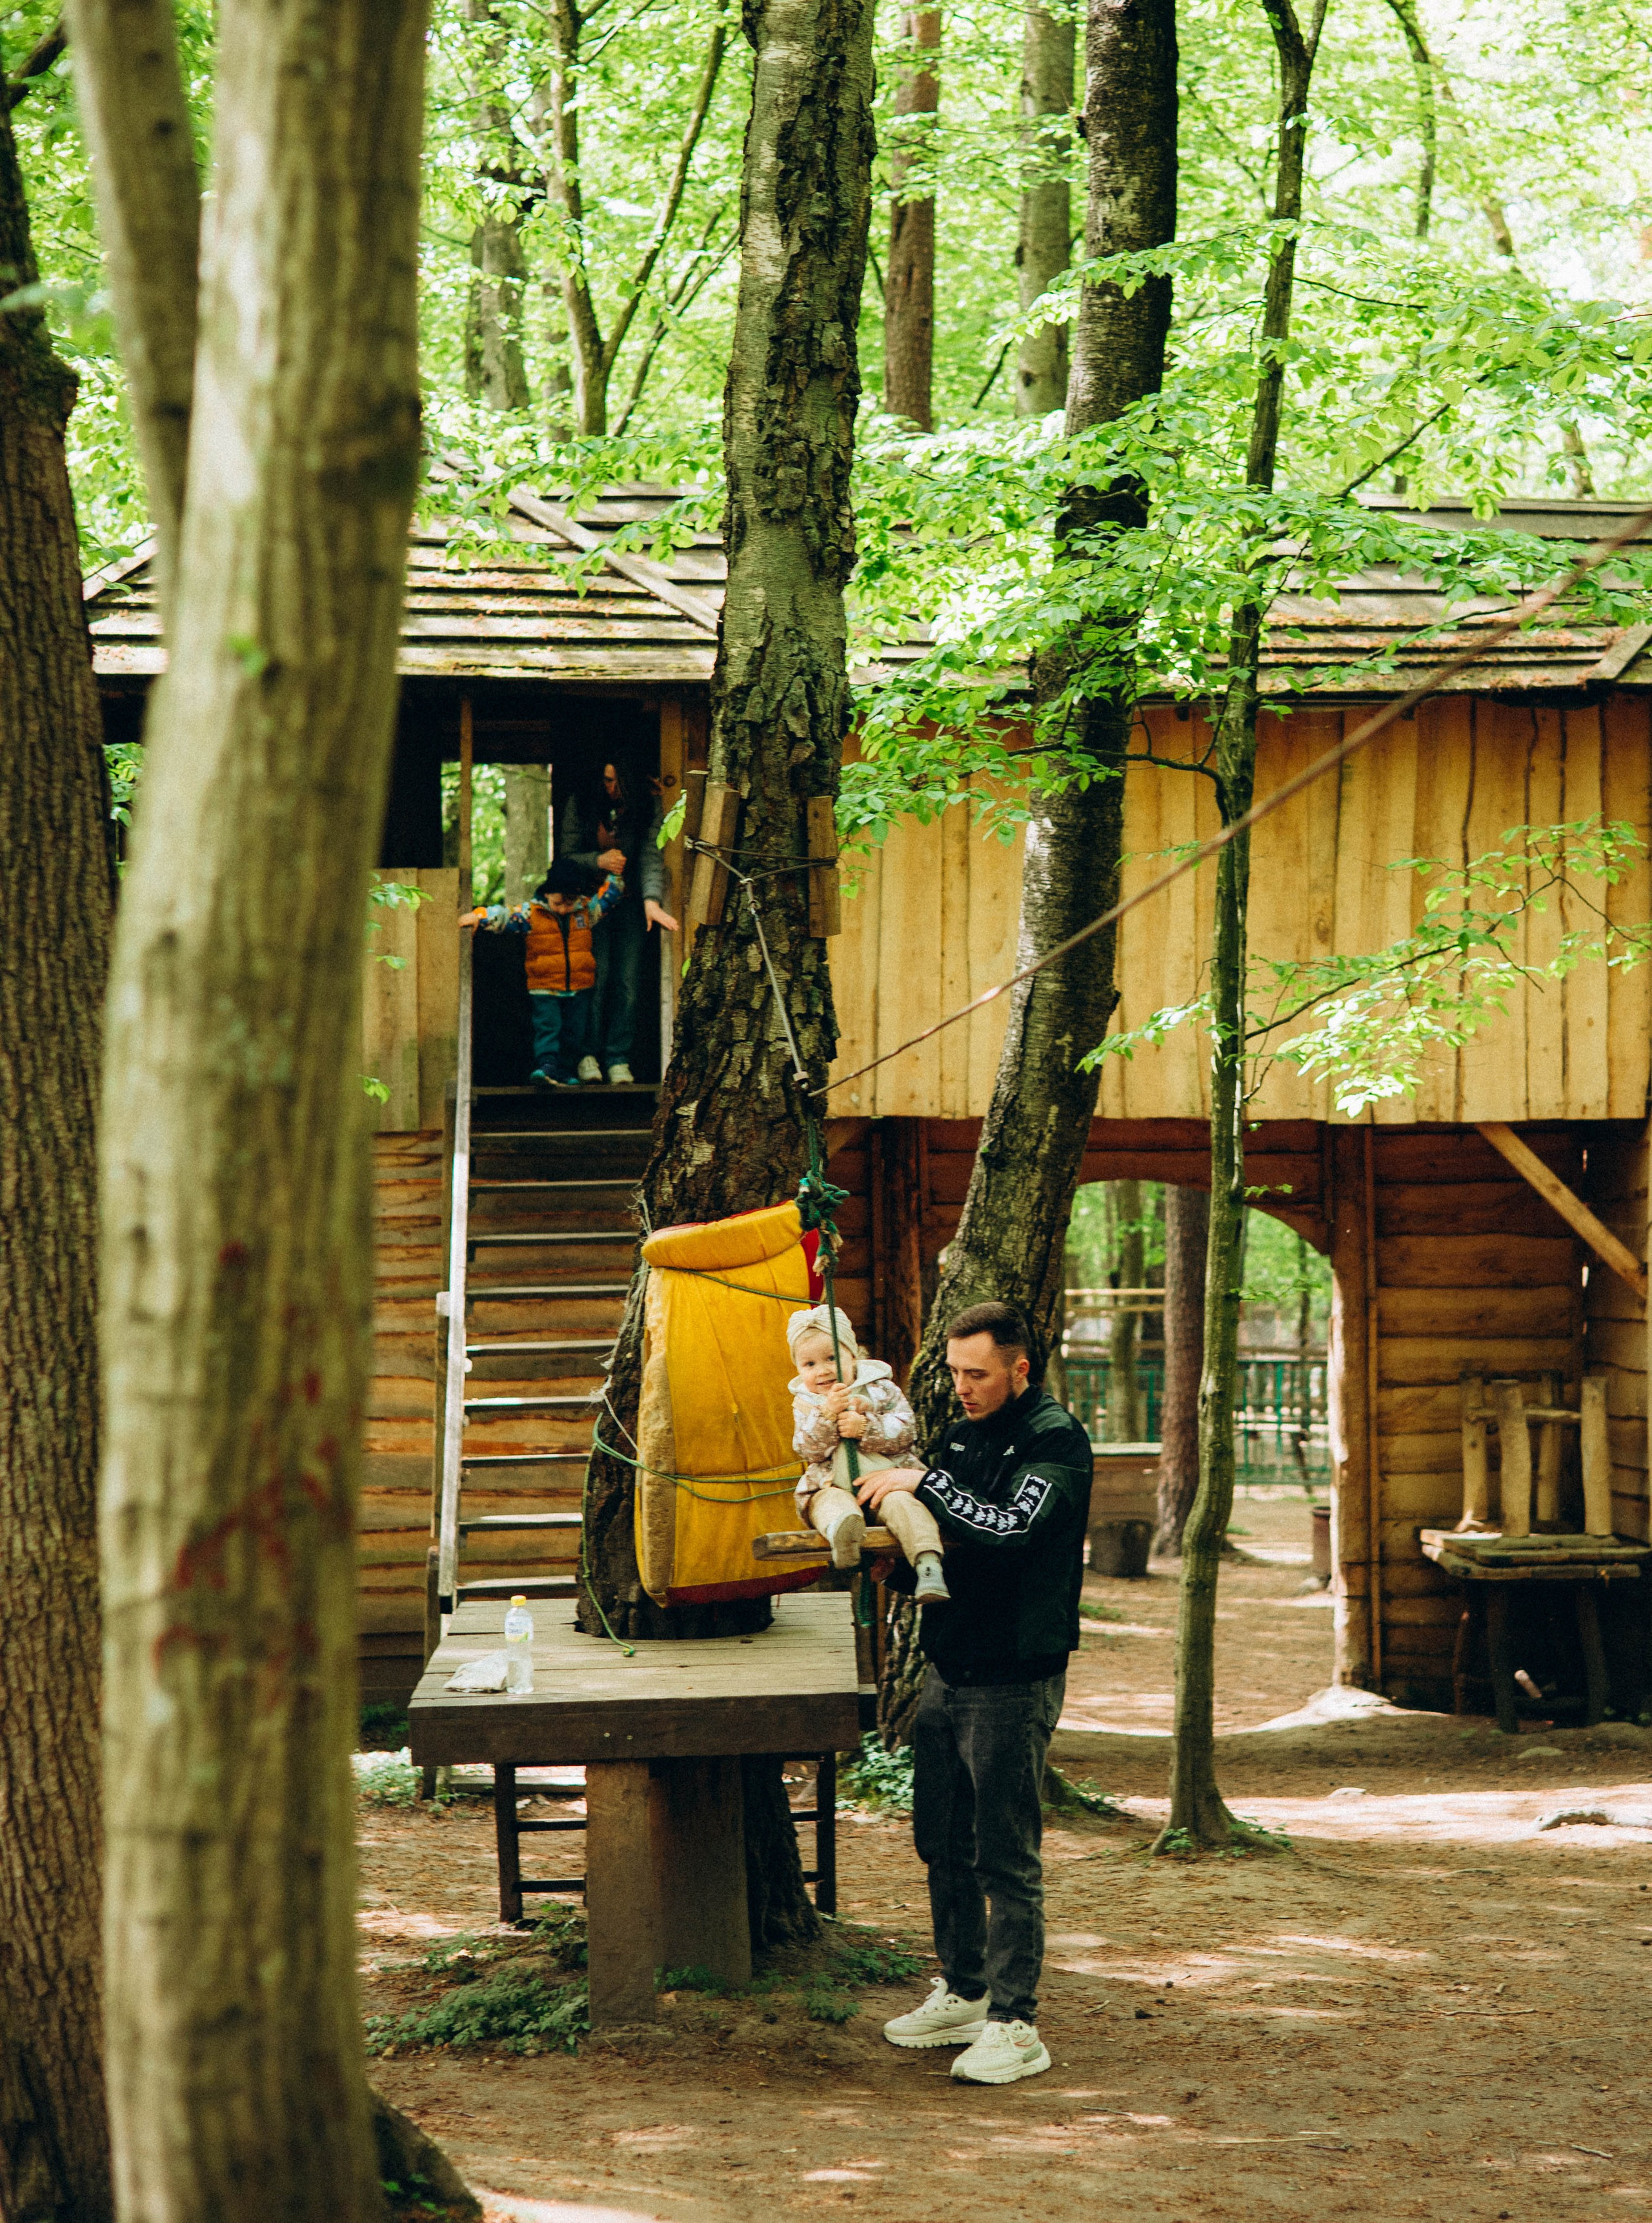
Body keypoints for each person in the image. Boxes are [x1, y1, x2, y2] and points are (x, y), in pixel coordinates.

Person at [865, 1300, 1091, 2087]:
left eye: (977, 1373)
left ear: (1019, 1368)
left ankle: (1015, 2022)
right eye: (956, 1372)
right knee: (942, 1841)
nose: (961, 1387)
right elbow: (948, 1535)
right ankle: (964, 1990)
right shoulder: (962, 1433)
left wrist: (924, 1479)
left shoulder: (1054, 1437)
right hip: (948, 1667)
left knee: (1004, 1854)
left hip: (1013, 1676)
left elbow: (1008, 1528)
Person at [786, 1306, 948, 1602]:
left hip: (885, 1481)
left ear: (853, 1355)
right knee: (828, 1505)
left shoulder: (880, 1390)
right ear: (798, 1368)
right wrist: (827, 1416)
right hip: (831, 1483)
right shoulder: (807, 1404)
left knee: (905, 1504)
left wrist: (866, 1427)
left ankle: (927, 1564)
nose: (822, 1370)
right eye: (809, 1364)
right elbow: (807, 1448)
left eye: (832, 1358)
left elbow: (906, 1431)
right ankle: (844, 1536)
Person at [559, 756, 679, 1084]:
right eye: (606, 780)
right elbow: (565, 859)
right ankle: (587, 1055)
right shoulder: (581, 804)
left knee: (626, 984)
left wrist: (651, 901)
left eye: (615, 780)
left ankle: (617, 1059)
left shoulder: (645, 805)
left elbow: (653, 854)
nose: (610, 787)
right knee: (594, 978)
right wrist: (598, 860)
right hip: (589, 906)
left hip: (628, 905)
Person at [464, 858, 621, 1089]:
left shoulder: (586, 911)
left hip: (579, 986)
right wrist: (479, 916)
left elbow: (609, 899)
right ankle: (546, 1065)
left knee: (574, 1031)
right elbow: (505, 916)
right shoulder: (532, 913)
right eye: (558, 903)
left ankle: (565, 1071)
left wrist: (616, 876)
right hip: (544, 987)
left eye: (569, 903)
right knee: (549, 1026)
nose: (563, 908)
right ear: (548, 893)